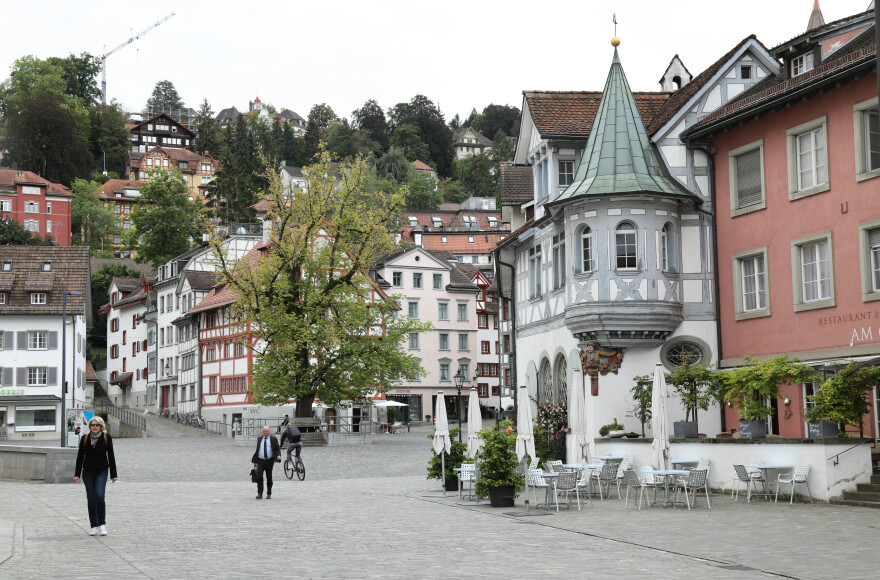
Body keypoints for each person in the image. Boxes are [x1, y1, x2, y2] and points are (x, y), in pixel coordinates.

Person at [73, 417, 118, 536]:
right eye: (92, 425)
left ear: (101, 426)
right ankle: (94, 525)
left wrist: (114, 474)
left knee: (99, 495)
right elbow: (80, 457)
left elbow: (111, 456)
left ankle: (102, 524)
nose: (94, 427)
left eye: (97, 425)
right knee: (91, 499)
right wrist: (77, 474)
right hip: (87, 472)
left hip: (101, 471)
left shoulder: (106, 438)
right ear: (90, 427)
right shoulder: (85, 438)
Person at [251, 426, 281, 499]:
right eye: (265, 431)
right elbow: (257, 450)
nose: (266, 432)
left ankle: (269, 493)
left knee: (269, 477)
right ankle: (260, 493)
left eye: (267, 431)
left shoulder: (273, 439)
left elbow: (277, 448)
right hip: (260, 460)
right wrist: (255, 461)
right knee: (260, 477)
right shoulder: (260, 439)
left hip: (269, 461)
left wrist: (279, 455)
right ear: (262, 432)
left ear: (269, 431)